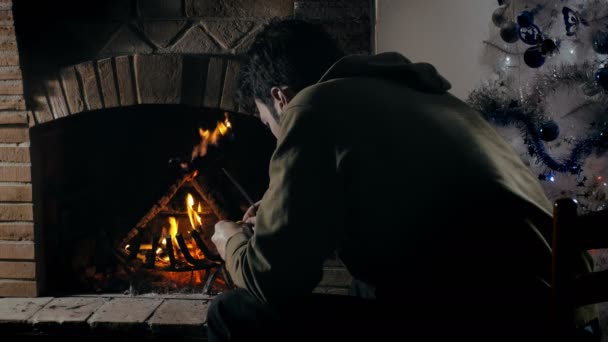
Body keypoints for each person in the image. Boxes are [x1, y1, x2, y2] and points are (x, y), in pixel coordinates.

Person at [208, 18, 597, 341]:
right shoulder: (427, 97)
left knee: (233, 313)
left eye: (266, 124)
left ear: (281, 98)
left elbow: (271, 281)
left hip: (493, 322)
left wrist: (233, 241)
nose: (276, 136)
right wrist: (290, 219)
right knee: (368, 286)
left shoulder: (310, 106)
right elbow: (412, 219)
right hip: (560, 312)